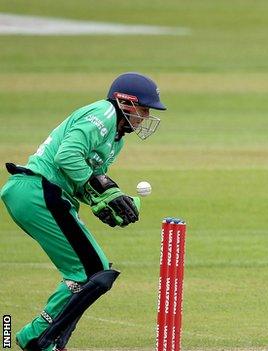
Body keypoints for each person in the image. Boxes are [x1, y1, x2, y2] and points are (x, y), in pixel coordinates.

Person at [1, 72, 166, 351]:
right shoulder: (102, 114)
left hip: (43, 194)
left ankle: (52, 341)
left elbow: (86, 180)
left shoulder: (117, 139)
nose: (145, 116)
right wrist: (104, 188)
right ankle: (36, 337)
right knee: (91, 271)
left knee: (94, 270)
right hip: (38, 190)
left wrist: (107, 203)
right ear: (125, 102)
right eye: (144, 109)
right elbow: (66, 157)